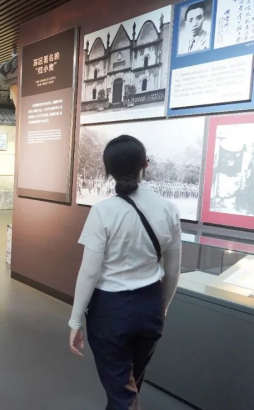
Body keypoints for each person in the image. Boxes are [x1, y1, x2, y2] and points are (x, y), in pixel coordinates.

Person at [68, 135, 182, 410]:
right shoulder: (169, 209)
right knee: (130, 385)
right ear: (146, 164)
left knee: (122, 392)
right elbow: (173, 269)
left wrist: (75, 320)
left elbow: (89, 273)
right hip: (150, 306)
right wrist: (163, 306)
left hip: (111, 311)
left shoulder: (103, 212)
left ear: (108, 170)